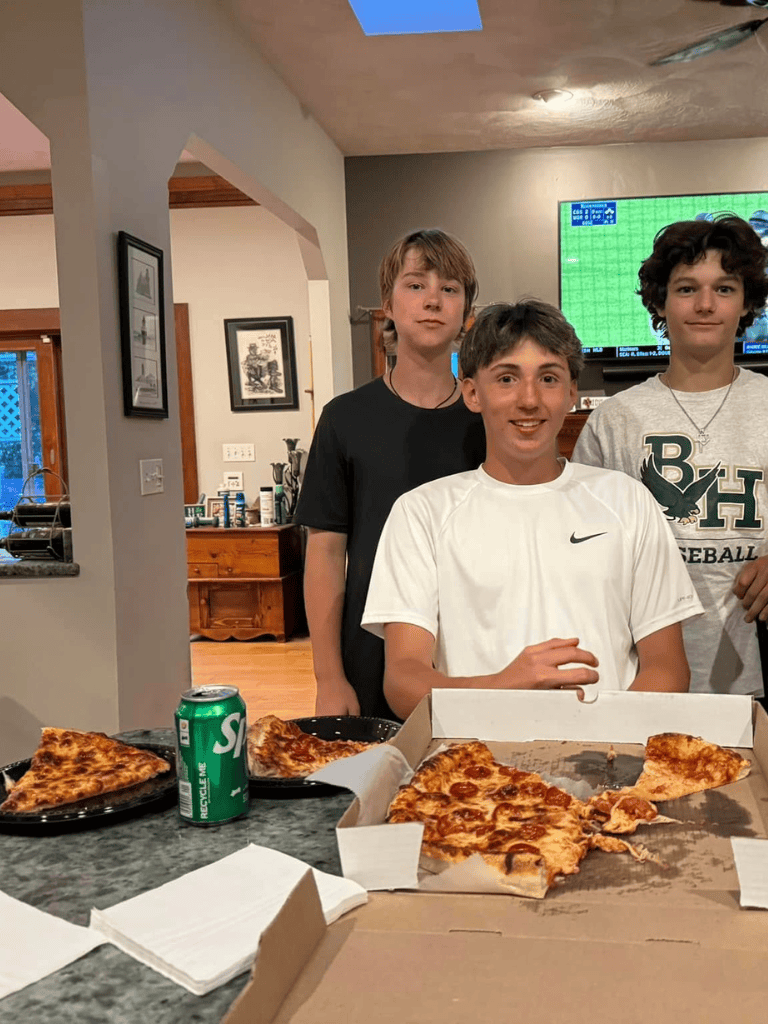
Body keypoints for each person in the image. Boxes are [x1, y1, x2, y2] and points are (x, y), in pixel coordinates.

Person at [362, 300, 702, 721]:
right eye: (507, 378)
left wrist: (604, 738)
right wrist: (503, 686)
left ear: (572, 393)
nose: (529, 400)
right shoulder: (421, 513)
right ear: (472, 392)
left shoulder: (627, 501)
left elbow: (667, 668)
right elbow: (403, 679)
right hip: (473, 768)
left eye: (548, 378)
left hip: (610, 766)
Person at [572, 216, 768, 701]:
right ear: (659, 301)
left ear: (747, 303)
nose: (705, 304)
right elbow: (577, 545)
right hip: (644, 677)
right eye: (686, 289)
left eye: (724, 288)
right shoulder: (614, 420)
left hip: (755, 672)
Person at [294, 229, 486, 719]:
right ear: (388, 304)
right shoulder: (345, 418)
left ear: (466, 311)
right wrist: (328, 676)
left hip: (474, 644)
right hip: (369, 649)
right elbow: (326, 551)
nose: (432, 301)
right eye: (416, 285)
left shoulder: (488, 416)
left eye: (449, 289)